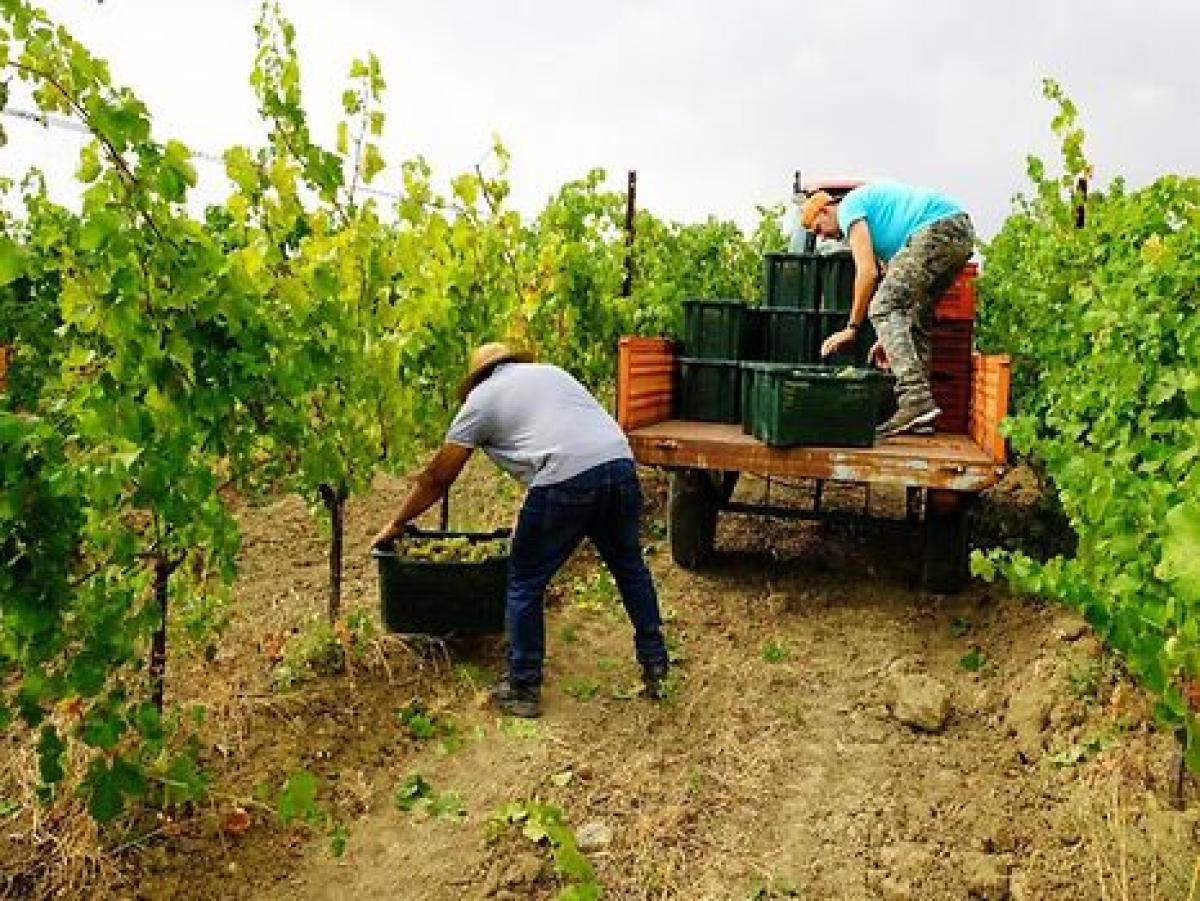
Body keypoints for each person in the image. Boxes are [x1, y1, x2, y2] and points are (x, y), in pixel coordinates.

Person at [371, 342, 670, 718]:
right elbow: (564, 434)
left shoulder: (480, 401)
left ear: (477, 376)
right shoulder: (552, 374)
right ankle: (657, 664)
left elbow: (437, 478)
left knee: (524, 579)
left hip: (565, 477)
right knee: (630, 568)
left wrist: (396, 522)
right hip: (619, 463)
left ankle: (523, 685)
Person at [801, 181, 975, 436]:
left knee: (881, 308)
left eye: (819, 228)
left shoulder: (849, 208)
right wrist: (889, 337)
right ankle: (921, 417)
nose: (823, 236)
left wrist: (851, 329)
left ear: (826, 209)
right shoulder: (880, 226)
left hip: (937, 227)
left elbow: (867, 273)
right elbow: (895, 285)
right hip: (959, 231)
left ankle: (914, 398)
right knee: (916, 316)